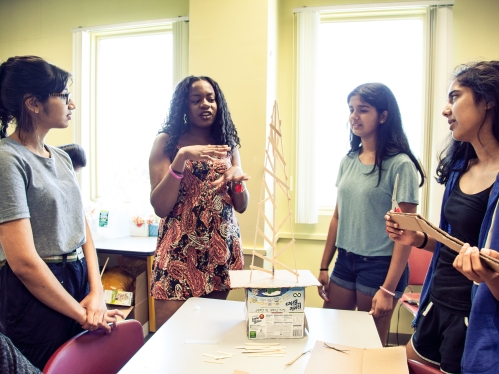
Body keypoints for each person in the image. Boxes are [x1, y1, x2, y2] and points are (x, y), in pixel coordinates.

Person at [0, 56, 123, 369]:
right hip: (36, 292)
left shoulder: (63, 158)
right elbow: (24, 262)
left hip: (77, 278)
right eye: (65, 96)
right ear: (33, 103)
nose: (73, 104)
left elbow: (84, 236)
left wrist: (96, 295)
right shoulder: (7, 159)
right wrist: (82, 314)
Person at [386, 61, 499, 373]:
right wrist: (419, 238)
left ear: (488, 99)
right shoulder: (460, 170)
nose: (445, 110)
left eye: (455, 97)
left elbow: (488, 271)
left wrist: (488, 274)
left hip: (473, 322)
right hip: (437, 305)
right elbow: (456, 247)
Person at [318, 82, 425, 346]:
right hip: (344, 261)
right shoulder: (348, 160)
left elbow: (407, 233)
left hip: (380, 266)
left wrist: (388, 289)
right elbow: (337, 217)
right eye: (351, 109)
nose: (354, 116)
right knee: (330, 337)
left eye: (363, 110)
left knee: (369, 347)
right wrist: (323, 265)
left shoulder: (401, 164)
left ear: (383, 116)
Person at [149, 75, 249, 327]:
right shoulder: (167, 142)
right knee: (169, 340)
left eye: (210, 98)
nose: (205, 104)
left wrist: (237, 180)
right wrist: (181, 158)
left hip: (217, 252)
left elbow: (242, 205)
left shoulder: (227, 143)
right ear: (184, 105)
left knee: (208, 338)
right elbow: (161, 207)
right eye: (196, 100)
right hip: (178, 254)